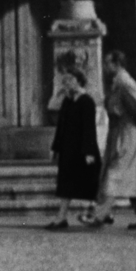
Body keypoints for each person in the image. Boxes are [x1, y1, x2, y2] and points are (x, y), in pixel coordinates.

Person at [82, 51, 136, 230]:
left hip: (129, 135)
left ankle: (98, 215)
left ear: (116, 64)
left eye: (107, 63)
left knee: (114, 173)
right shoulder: (118, 83)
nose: (105, 67)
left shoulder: (125, 83)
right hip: (121, 133)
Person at [47, 66, 101, 229]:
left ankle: (98, 214)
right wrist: (56, 149)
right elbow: (60, 126)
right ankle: (61, 217)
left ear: (79, 81)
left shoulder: (87, 101)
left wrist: (89, 151)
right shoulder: (67, 101)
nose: (67, 84)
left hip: (83, 150)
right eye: (64, 81)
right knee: (66, 185)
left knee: (90, 184)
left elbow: (89, 128)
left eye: (70, 80)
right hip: (68, 150)